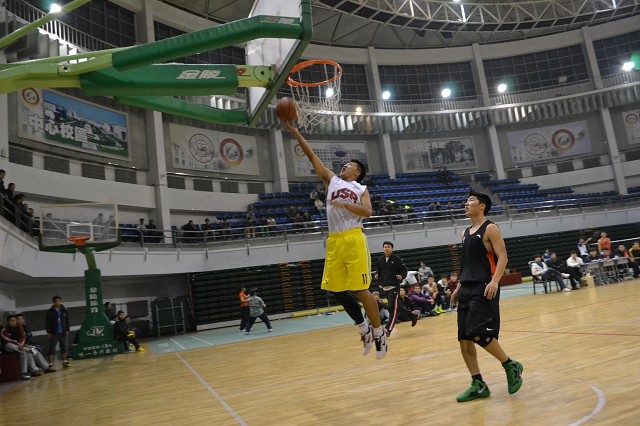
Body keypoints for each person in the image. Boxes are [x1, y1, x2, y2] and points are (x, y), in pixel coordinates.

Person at [285, 121, 388, 359]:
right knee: (337, 290)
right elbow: (312, 156)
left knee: (361, 290)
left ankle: (379, 332)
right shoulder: (332, 180)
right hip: (334, 241)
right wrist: (295, 131)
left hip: (353, 238)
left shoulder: (361, 188)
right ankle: (363, 328)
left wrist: (345, 204)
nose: (344, 165)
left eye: (349, 164)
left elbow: (368, 212)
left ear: (357, 172)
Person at [451, 191, 523, 402]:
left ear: (481, 206)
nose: (466, 204)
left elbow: (503, 257)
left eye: (470, 201)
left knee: (477, 332)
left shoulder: (490, 228)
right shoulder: (465, 233)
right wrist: (458, 287)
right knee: (464, 339)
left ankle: (510, 364)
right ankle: (478, 384)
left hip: (484, 287)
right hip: (466, 288)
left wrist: (495, 281)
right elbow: (467, 264)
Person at [374, 241, 418, 336]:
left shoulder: (397, 259)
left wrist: (401, 276)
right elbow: (378, 270)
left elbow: (404, 270)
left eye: (388, 247)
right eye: (385, 247)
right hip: (385, 287)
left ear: (392, 249)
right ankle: (412, 316)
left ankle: (388, 329)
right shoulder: (380, 259)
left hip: (394, 287)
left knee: (392, 308)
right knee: (399, 307)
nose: (386, 248)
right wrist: (377, 274)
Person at [2, 314, 43, 380]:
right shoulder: (4, 329)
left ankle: (25, 372)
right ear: (8, 322)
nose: (13, 322)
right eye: (11, 320)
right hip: (8, 347)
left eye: (15, 320)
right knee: (10, 344)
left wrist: (20, 344)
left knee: (24, 352)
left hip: (19, 346)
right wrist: (18, 344)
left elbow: (23, 337)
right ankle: (28, 349)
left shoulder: (20, 328)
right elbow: (6, 339)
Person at [45, 295, 72, 369]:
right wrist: (49, 332)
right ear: (53, 302)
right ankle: (50, 363)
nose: (58, 302)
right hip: (54, 333)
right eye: (56, 301)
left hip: (63, 332)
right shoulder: (50, 312)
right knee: (52, 348)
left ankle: (65, 362)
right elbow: (47, 323)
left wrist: (67, 330)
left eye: (59, 301)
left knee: (64, 347)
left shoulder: (64, 311)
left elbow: (67, 321)